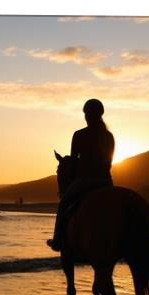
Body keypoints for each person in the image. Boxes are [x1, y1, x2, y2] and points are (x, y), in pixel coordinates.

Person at [47, 98, 115, 251]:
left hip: (85, 180)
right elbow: (109, 163)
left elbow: (73, 163)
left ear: (87, 115)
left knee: (64, 203)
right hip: (106, 182)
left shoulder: (79, 135)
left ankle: (57, 239)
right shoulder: (109, 136)